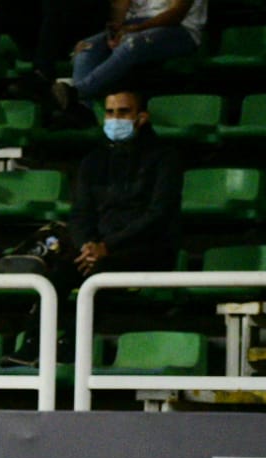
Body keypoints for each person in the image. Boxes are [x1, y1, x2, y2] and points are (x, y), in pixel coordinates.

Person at [66, 89, 181, 282]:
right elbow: (80, 213)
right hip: (98, 248)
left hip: (148, 249)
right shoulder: (92, 161)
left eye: (124, 111)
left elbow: (158, 215)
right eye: (110, 112)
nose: (115, 118)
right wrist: (87, 246)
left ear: (141, 118)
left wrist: (107, 246)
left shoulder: (165, 158)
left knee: (101, 274)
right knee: (58, 272)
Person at [63, 0, 206, 104]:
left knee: (131, 44)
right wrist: (114, 33)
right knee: (87, 47)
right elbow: (120, 11)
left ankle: (77, 93)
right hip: (135, 24)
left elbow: (176, 14)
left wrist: (136, 30)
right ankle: (82, 111)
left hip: (179, 29)